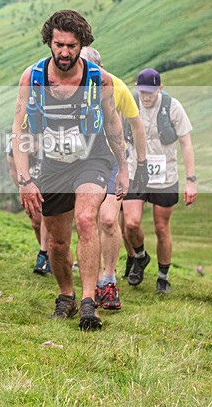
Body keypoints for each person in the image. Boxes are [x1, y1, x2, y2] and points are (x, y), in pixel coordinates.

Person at [12, 10, 129, 331]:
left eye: (72, 46)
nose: (64, 52)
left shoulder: (99, 79)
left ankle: (89, 302)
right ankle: (66, 295)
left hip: (92, 158)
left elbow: (113, 124)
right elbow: (19, 131)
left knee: (86, 219)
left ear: (82, 45)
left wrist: (123, 168)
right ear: (49, 42)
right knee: (58, 243)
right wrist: (25, 179)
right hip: (51, 164)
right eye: (59, 44)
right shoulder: (32, 78)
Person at [79, 47, 148, 311]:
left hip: (111, 160)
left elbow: (136, 124)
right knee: (89, 221)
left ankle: (108, 279)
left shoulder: (115, 86)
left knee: (108, 219)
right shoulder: (69, 86)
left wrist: (138, 165)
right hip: (82, 162)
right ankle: (95, 281)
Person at [123, 68, 197, 294]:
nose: (146, 97)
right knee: (131, 223)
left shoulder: (172, 107)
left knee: (161, 227)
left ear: (160, 89)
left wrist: (191, 180)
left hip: (165, 175)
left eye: (150, 93)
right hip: (136, 171)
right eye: (142, 92)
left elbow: (186, 143)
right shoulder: (130, 103)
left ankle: (163, 276)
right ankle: (141, 256)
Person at [7, 131, 51, 275]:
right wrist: (22, 189)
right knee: (36, 223)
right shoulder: (14, 144)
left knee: (47, 218)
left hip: (49, 182)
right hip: (29, 184)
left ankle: (43, 255)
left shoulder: (47, 135)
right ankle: (48, 256)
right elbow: (13, 171)